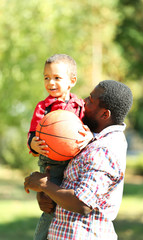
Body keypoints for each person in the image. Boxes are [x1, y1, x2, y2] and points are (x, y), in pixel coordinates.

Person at [24, 80, 133, 240]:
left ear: (105, 114)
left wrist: (44, 185)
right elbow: (70, 184)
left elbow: (83, 204)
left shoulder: (105, 148)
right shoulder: (88, 140)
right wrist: (47, 195)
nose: (84, 102)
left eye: (90, 100)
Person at [27, 54, 87, 240]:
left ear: (72, 81)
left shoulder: (80, 106)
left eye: (57, 78)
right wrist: (33, 144)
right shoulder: (43, 107)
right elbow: (32, 134)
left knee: (70, 204)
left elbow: (86, 131)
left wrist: (88, 137)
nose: (50, 82)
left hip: (74, 163)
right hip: (51, 164)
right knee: (50, 207)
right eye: (46, 77)